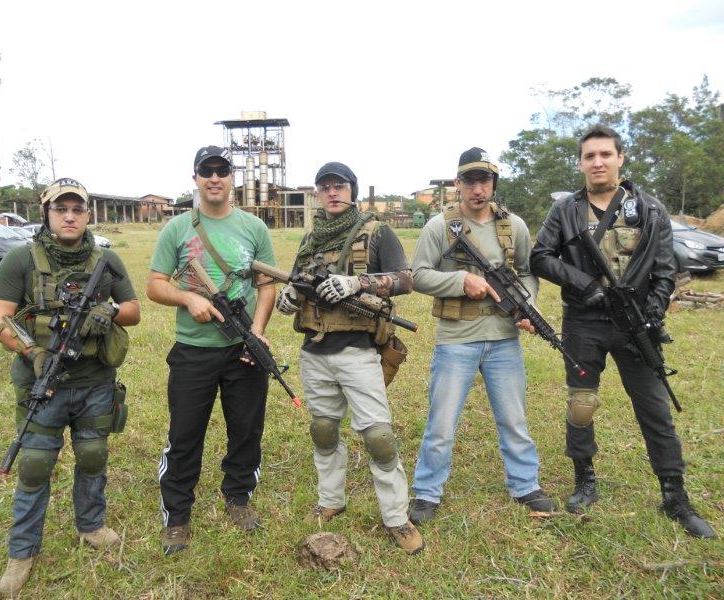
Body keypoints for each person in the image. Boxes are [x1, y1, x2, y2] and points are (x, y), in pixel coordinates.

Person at [530, 124, 716, 538]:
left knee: (655, 409)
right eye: (589, 156)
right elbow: (540, 257)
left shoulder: (650, 209)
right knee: (582, 404)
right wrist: (586, 286)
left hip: (634, 324)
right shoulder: (566, 211)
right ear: (580, 163)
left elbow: (666, 271)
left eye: (605, 155)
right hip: (584, 320)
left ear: (620, 158)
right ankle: (585, 481)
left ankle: (675, 496)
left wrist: (650, 316)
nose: (597, 162)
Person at [0, 178, 141, 597]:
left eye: (77, 208)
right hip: (43, 380)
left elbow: (134, 310)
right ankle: (22, 552)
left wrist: (106, 311)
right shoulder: (21, 259)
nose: (69, 216)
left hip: (95, 381)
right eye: (61, 209)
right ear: (47, 214)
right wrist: (32, 351)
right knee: (35, 464)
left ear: (88, 214)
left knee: (93, 454)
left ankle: (91, 526)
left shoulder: (105, 259)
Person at [275, 161, 424, 554]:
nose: (332, 192)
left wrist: (356, 281)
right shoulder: (309, 240)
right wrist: (287, 299)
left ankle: (396, 518)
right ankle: (331, 500)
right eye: (325, 187)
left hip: (359, 352)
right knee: (324, 430)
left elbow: (406, 280)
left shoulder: (377, 232)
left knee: (378, 437)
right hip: (315, 351)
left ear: (352, 191)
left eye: (339, 186)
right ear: (318, 194)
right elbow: (295, 284)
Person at [408, 147, 555, 525]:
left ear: (493, 184)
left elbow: (525, 271)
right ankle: (427, 491)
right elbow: (418, 274)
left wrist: (527, 306)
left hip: (504, 339)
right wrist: (461, 280)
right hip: (456, 339)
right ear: (458, 184)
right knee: (441, 423)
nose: (477, 189)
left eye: (484, 180)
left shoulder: (514, 226)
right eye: (470, 181)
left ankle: (525, 485)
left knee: (514, 418)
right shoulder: (440, 226)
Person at [146, 146, 277, 555]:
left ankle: (237, 497)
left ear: (231, 177)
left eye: (222, 170)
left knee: (246, 430)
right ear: (196, 178)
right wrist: (189, 300)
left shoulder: (254, 228)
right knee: (184, 436)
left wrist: (256, 331)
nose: (215, 178)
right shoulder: (177, 229)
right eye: (207, 171)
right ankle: (178, 517)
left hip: (243, 348)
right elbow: (155, 284)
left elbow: (266, 284)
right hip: (193, 351)